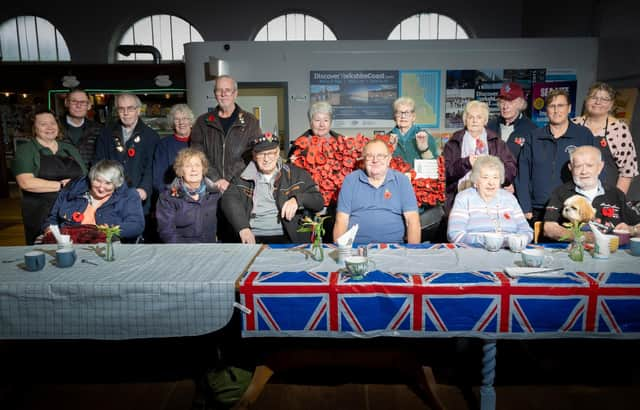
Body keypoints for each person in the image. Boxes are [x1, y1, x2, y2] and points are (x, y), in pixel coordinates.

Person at [221, 133, 324, 244]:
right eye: (261, 154)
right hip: (253, 236)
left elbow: (318, 202)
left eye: (271, 153)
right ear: (254, 155)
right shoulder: (242, 177)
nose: (266, 159)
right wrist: (243, 228)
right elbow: (228, 200)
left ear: (278, 153)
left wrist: (298, 199)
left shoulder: (297, 174)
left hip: (289, 237)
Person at [516, 89, 598, 224]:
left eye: (560, 106)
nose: (556, 110)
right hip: (537, 209)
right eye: (551, 106)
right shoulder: (534, 136)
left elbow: (595, 171)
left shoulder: (583, 135)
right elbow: (523, 174)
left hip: (572, 210)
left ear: (569, 108)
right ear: (546, 110)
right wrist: (525, 206)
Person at [12, 109, 87, 245]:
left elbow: (85, 176)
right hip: (41, 212)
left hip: (72, 211)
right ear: (34, 128)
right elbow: (26, 182)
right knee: (44, 250)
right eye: (43, 124)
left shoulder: (69, 149)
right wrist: (62, 186)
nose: (50, 127)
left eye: (52, 123)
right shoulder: (26, 150)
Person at [333, 139, 421, 244]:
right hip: (356, 247)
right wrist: (341, 253)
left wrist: (412, 253)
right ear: (364, 160)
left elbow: (412, 220)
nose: (375, 160)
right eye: (370, 156)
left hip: (394, 248)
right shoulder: (351, 180)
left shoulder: (402, 181)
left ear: (388, 159)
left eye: (380, 156)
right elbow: (341, 220)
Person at [544, 146, 640, 241]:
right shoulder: (561, 192)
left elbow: (637, 225)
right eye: (578, 166)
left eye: (590, 165)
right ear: (570, 167)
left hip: (611, 252)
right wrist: (585, 237)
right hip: (572, 251)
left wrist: (631, 230)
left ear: (600, 166)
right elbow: (549, 228)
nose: (584, 171)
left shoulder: (616, 194)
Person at [43, 160, 145, 242]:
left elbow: (136, 225)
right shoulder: (72, 190)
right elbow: (53, 219)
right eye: (97, 181)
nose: (101, 188)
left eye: (108, 183)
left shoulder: (129, 196)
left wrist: (107, 231)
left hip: (109, 246)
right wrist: (50, 232)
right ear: (91, 178)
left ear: (117, 184)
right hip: (69, 245)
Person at [190, 75, 261, 193]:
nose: (223, 94)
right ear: (215, 93)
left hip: (239, 186)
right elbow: (197, 154)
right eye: (219, 90)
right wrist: (216, 178)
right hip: (209, 186)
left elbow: (252, 154)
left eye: (227, 90)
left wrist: (229, 179)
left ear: (235, 93)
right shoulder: (202, 122)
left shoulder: (251, 121)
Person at [443, 100, 517, 212]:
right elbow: (444, 173)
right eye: (470, 117)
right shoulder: (453, 142)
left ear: (485, 120)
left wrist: (492, 169)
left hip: (491, 200)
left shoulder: (496, 142)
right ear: (465, 120)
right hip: (459, 199)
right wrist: (466, 163)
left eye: (479, 117)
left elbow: (511, 169)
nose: (474, 121)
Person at [95, 93, 160, 215]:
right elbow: (98, 163)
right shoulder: (106, 134)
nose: (126, 112)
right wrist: (102, 186)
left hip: (138, 198)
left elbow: (151, 168)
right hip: (109, 196)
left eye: (130, 108)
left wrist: (144, 189)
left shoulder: (151, 136)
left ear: (138, 110)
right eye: (121, 108)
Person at [447, 155, 532, 245]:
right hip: (474, 253)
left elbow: (527, 231)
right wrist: (486, 241)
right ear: (475, 181)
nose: (491, 183)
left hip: (509, 251)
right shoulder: (464, 198)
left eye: (495, 177)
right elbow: (455, 235)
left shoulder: (509, 198)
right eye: (485, 177)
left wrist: (518, 241)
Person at [572, 82, 638, 194]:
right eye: (594, 97)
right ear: (587, 100)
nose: (598, 102)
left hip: (606, 195)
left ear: (611, 104)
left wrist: (616, 200)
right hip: (574, 194)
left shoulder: (619, 129)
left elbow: (627, 172)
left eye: (604, 99)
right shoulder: (573, 124)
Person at [155, 148, 220, 243]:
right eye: (188, 166)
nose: (193, 169)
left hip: (211, 249)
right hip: (181, 251)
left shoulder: (215, 194)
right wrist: (187, 250)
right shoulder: (168, 197)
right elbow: (166, 231)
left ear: (203, 169)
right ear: (180, 171)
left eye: (197, 165)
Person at [152, 103, 195, 193]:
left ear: (191, 122)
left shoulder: (199, 141)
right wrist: (170, 192)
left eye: (185, 118)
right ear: (172, 123)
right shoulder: (164, 145)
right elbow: (158, 177)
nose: (181, 122)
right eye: (177, 119)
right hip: (173, 193)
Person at [487, 82, 536, 159]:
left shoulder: (531, 130)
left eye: (510, 101)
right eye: (502, 102)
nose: (505, 106)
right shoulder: (489, 126)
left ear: (520, 103)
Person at [60, 88, 103, 168]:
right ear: (66, 103)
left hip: (90, 178)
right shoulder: (54, 127)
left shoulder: (98, 129)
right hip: (60, 178)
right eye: (74, 101)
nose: (78, 105)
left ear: (89, 105)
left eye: (83, 102)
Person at [389, 96, 439, 163]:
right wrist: (390, 151)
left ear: (413, 117)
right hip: (395, 173)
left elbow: (435, 167)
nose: (403, 116)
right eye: (399, 113)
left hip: (418, 173)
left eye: (407, 113)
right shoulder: (386, 138)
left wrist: (425, 150)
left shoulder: (426, 137)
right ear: (394, 117)